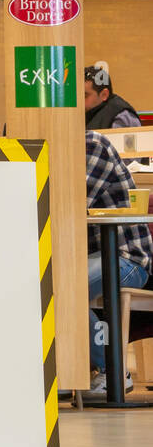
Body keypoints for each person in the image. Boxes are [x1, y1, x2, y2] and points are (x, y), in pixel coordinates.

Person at [84, 130, 153, 396]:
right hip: (95, 257)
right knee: (54, 286)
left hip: (128, 259)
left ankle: (113, 371)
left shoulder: (91, 145)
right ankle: (72, 369)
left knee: (64, 288)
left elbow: (68, 204)